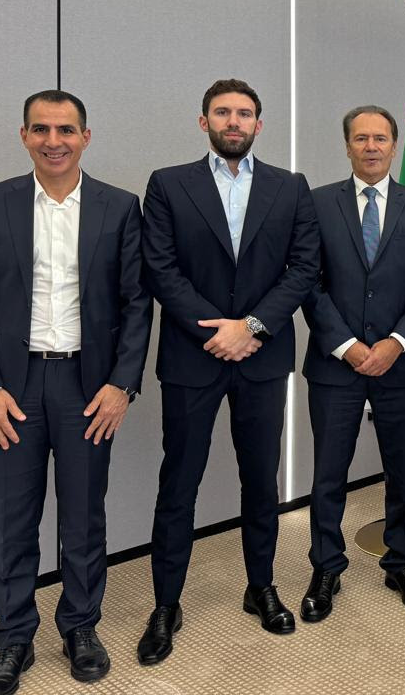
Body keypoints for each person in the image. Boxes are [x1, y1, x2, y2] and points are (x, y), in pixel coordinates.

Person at [0, 91, 152, 695]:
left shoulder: (120, 206)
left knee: (84, 516)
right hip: (10, 389)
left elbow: (136, 304)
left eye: (66, 129)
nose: (53, 140)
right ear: (24, 135)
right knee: (13, 522)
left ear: (86, 137)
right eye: (40, 129)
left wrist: (122, 385)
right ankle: (14, 638)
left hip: (88, 388)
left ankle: (80, 627)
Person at [136, 79, 319, 665]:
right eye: (223, 112)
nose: (233, 121)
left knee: (261, 479)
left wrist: (253, 328)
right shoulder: (168, 185)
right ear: (204, 122)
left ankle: (260, 586)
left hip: (262, 358)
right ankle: (166, 604)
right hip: (193, 357)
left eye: (244, 113)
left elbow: (303, 267)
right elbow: (160, 268)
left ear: (259, 124)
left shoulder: (290, 187)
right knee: (179, 483)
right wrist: (218, 332)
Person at [300, 105, 405, 619]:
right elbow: (308, 282)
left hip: (398, 364)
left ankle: (401, 562)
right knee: (328, 473)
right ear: (347, 146)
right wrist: (347, 345)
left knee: (402, 471)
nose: (371, 147)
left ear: (393, 145)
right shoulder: (317, 203)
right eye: (361, 138)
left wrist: (395, 343)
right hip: (335, 365)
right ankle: (326, 567)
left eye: (380, 138)